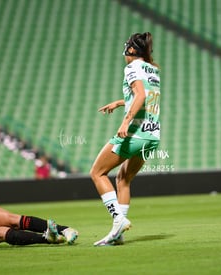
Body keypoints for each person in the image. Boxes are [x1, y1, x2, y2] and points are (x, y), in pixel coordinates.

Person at [90, 32, 161, 246]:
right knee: (123, 179)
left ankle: (118, 219)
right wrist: (120, 103)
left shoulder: (131, 68)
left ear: (132, 50)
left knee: (97, 172)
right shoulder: (153, 70)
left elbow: (140, 96)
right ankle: (118, 234)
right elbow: (145, 96)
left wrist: (125, 123)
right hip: (152, 135)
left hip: (135, 132)